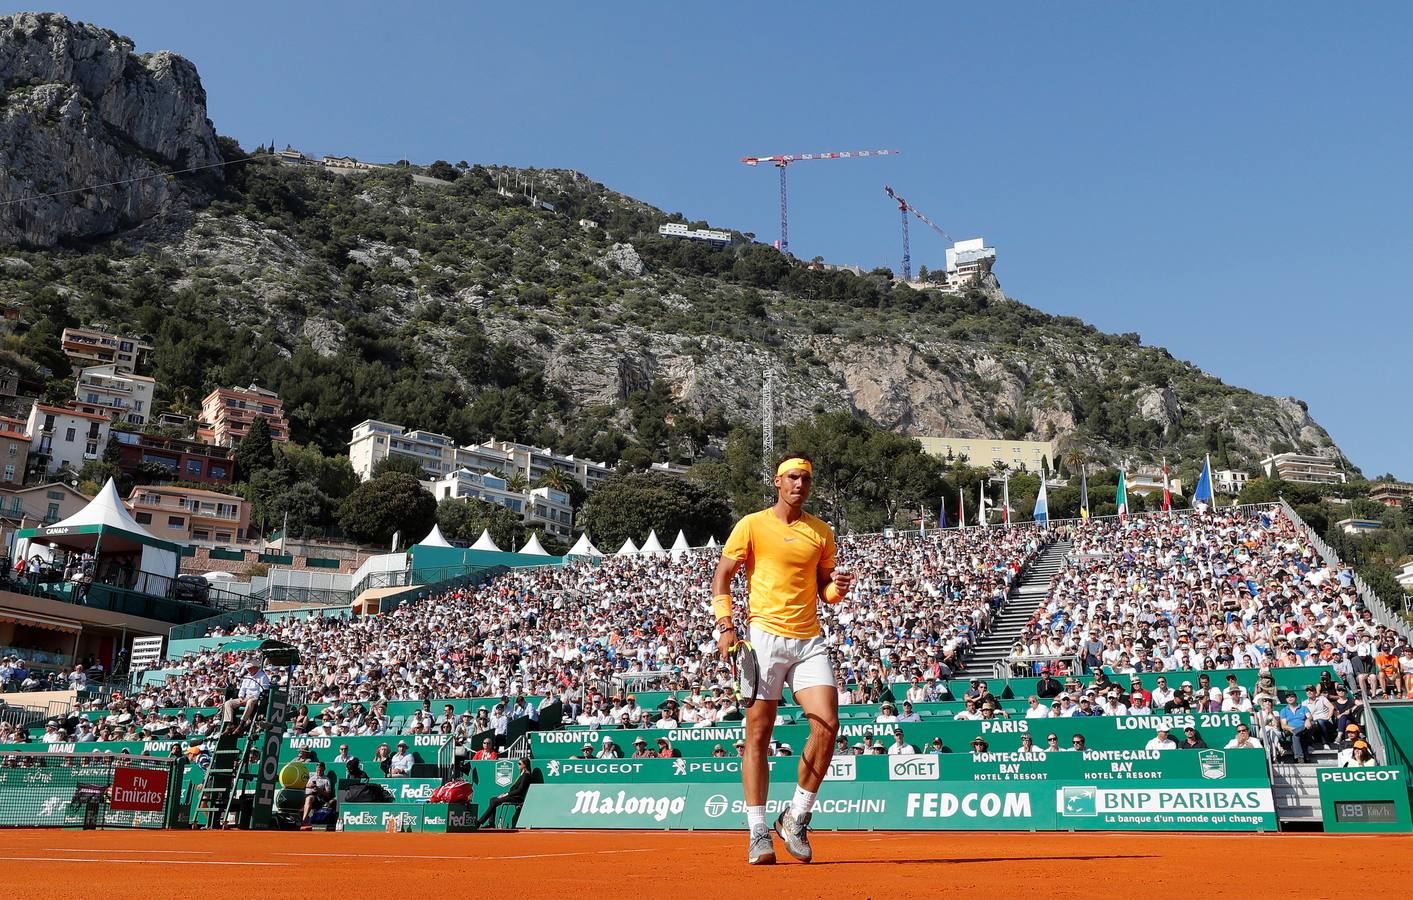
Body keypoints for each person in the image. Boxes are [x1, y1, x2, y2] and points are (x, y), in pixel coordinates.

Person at [712, 452, 854, 865]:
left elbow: (824, 591)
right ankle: (758, 829)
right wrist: (726, 626)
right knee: (758, 732)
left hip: (808, 639)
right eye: (792, 478)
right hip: (763, 638)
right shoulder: (752, 524)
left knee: (827, 724)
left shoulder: (821, 532)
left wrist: (838, 588)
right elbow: (722, 575)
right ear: (777, 482)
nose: (799, 485)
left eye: (806, 480)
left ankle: (796, 816)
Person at [475, 757, 532, 828]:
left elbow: (520, 790)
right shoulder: (521, 774)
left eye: (519, 763)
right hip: (512, 796)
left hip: (517, 798)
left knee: (495, 801)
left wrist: (506, 794)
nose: (518, 765)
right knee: (492, 799)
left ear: (525, 765)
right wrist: (505, 794)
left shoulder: (526, 775)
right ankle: (491, 823)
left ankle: (479, 823)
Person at [220, 662, 270, 734]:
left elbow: (263, 691)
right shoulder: (247, 676)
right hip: (245, 697)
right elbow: (242, 689)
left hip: (256, 698)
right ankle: (229, 724)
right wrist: (241, 697)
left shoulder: (263, 677)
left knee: (250, 702)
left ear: (255, 668)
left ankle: (241, 724)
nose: (248, 670)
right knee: (228, 703)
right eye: (248, 668)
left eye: (250, 668)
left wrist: (247, 699)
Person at [300, 761, 333, 830]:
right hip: (307, 795)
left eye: (320, 769)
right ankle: (302, 820)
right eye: (317, 769)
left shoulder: (326, 780)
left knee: (309, 798)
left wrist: (318, 789)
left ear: (324, 769)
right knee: (307, 798)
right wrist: (310, 786)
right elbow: (304, 785)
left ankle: (304, 820)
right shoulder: (311, 777)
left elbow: (328, 794)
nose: (319, 771)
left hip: (319, 799)